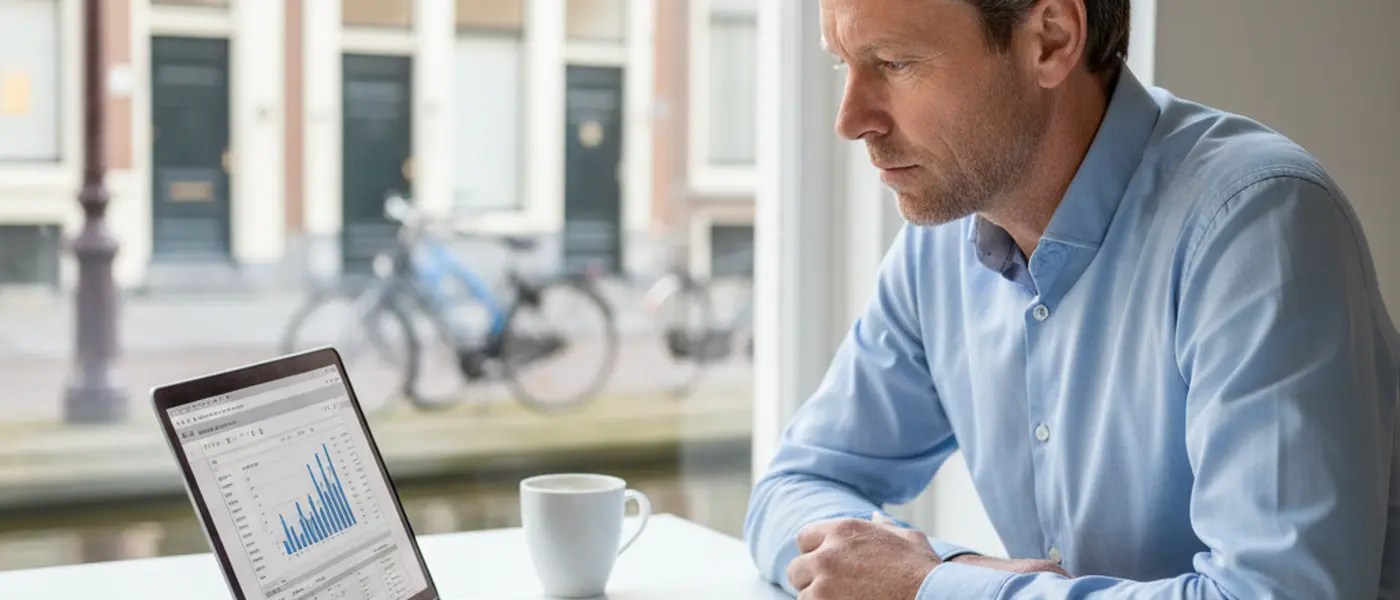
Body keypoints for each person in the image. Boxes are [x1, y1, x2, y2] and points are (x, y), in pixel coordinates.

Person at [744, 0, 1400, 598]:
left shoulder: (1256, 226)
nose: (850, 120)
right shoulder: (941, 246)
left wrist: (935, 589)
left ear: (1052, 39)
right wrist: (954, 577)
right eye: (844, 64)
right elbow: (790, 490)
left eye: (894, 63)